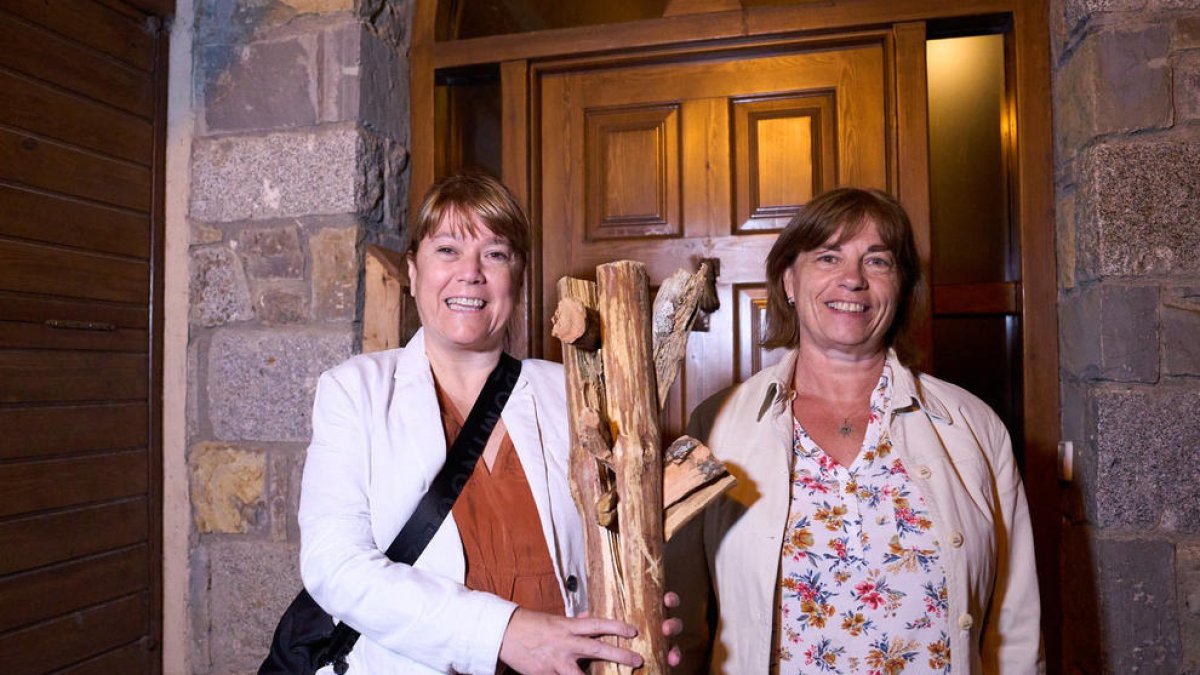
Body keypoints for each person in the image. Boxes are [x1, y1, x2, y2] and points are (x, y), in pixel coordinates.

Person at [299, 172, 679, 674]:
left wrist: (637, 618)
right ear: (413, 272)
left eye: (495, 254)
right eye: (448, 250)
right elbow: (335, 567)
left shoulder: (575, 392)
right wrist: (503, 632)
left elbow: (617, 544)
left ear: (517, 277)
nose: (471, 273)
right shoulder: (356, 392)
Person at [666, 187, 1040, 674]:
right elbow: (683, 621)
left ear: (901, 287)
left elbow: (1015, 623)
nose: (853, 280)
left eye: (878, 261)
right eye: (827, 257)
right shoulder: (716, 423)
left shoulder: (972, 426)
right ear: (789, 281)